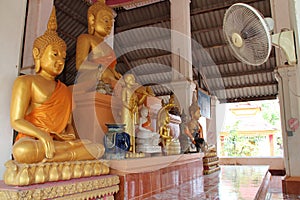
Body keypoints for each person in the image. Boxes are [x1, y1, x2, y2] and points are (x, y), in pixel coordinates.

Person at [10, 7, 104, 164]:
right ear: (36, 54)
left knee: (97, 148)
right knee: (22, 151)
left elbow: (68, 128)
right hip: (33, 140)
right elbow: (16, 121)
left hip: (58, 143)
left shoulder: (64, 90)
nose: (60, 61)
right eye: (55, 54)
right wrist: (42, 134)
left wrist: (67, 136)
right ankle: (61, 157)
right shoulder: (26, 82)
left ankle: (55, 157)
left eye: (63, 56)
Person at [76, 0, 121, 90]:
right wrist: (101, 67)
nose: (109, 26)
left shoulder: (108, 47)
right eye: (106, 20)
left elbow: (112, 69)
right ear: (92, 20)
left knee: (129, 81)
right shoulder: (85, 38)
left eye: (111, 23)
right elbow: (80, 65)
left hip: (106, 74)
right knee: (106, 74)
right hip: (91, 75)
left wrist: (116, 74)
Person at [121, 74, 149, 153]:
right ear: (127, 80)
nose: (133, 80)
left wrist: (144, 96)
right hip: (126, 111)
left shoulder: (133, 92)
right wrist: (130, 108)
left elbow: (138, 103)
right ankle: (125, 147)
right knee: (126, 128)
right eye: (131, 79)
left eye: (133, 79)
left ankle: (132, 147)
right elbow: (123, 101)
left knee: (132, 129)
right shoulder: (125, 89)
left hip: (133, 111)